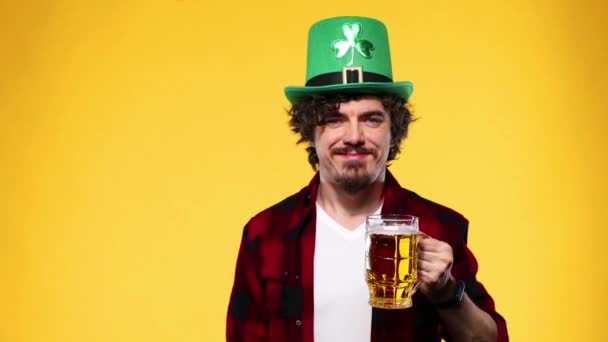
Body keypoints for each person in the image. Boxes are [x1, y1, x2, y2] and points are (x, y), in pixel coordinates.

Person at [226, 16, 508, 342]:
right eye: (334, 119)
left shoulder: (439, 226)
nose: (354, 136)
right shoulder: (265, 235)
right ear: (310, 131)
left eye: (371, 119)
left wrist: (447, 292)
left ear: (394, 130)